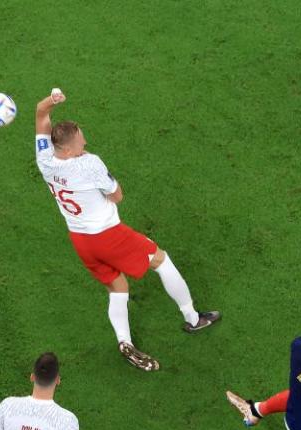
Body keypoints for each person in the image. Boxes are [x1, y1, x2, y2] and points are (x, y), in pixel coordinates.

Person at [34, 89, 220, 371]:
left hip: (80, 240)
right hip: (108, 235)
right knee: (160, 259)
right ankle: (193, 318)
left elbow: (40, 114)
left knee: (117, 287)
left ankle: (125, 341)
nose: (85, 143)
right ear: (69, 149)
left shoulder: (45, 159)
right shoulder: (88, 163)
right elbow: (117, 195)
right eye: (81, 142)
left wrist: (50, 102)